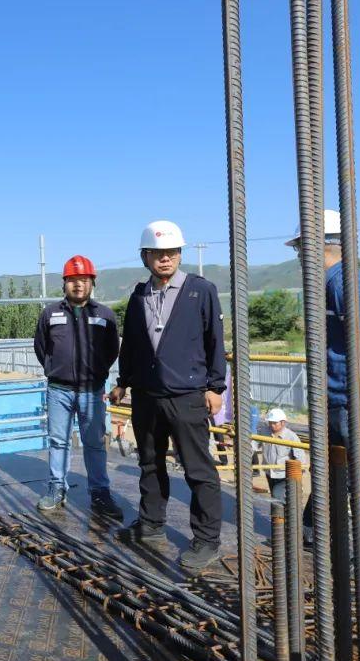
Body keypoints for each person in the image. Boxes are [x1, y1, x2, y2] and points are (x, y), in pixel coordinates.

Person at [109, 220, 227, 571]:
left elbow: (215, 341)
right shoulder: (138, 296)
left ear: (179, 254)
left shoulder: (200, 290)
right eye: (158, 253)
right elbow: (131, 344)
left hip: (187, 395)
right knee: (149, 462)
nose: (165, 258)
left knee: (197, 469)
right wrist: (123, 382)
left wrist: (216, 387)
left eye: (172, 252)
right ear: (145, 256)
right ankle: (151, 524)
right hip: (147, 394)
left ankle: (207, 540)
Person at [292, 209, 360, 536]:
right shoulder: (334, 283)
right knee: (334, 470)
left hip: (354, 399)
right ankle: (314, 532)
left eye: (301, 247)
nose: (299, 255)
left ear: (319, 245)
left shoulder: (345, 284)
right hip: (339, 398)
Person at [34, 255, 123, 520]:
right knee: (58, 441)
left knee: (94, 443)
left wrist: (98, 371)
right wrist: (53, 368)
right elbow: (41, 346)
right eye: (73, 280)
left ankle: (99, 492)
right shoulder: (50, 313)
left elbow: (112, 350)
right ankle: (56, 488)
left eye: (84, 279)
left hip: (91, 390)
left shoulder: (104, 315)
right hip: (58, 390)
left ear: (92, 283)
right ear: (64, 283)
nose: (78, 284)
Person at [253, 408, 306, 502]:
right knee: (276, 496)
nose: (271, 425)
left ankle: (283, 511)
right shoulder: (264, 432)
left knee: (277, 496)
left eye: (274, 423)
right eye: (270, 422)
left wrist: (297, 477)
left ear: (283, 422)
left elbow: (300, 457)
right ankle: (284, 510)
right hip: (269, 472)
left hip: (284, 474)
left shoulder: (291, 437)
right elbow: (254, 445)